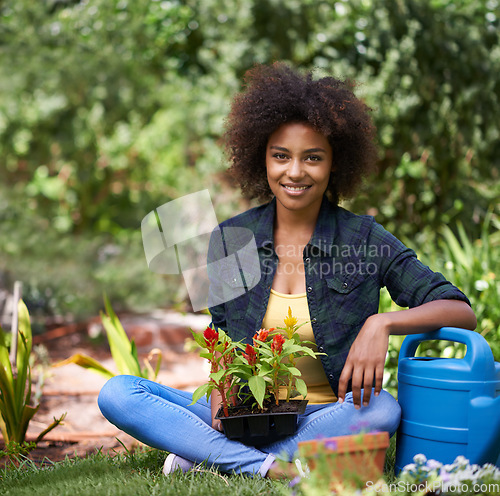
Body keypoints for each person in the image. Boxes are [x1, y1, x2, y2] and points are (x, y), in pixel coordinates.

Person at [98, 63, 476, 479]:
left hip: (326, 414)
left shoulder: (364, 238)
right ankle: (267, 465)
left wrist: (382, 323)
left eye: (312, 158)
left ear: (335, 163)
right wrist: (226, 400)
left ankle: (214, 458)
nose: (295, 172)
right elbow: (221, 336)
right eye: (281, 156)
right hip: (246, 411)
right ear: (262, 158)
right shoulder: (232, 238)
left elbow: (459, 309)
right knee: (119, 393)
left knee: (382, 409)